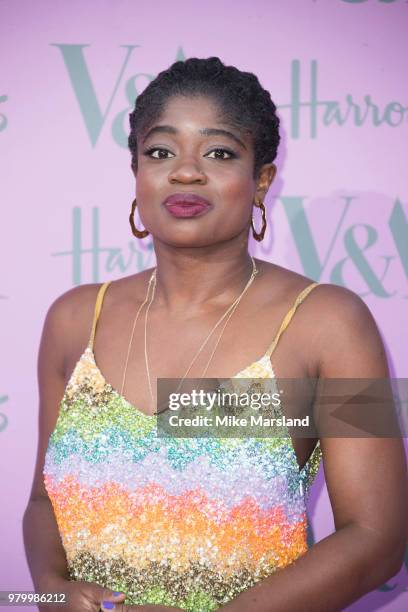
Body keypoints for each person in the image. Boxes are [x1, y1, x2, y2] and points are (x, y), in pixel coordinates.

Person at [23, 57, 407, 612]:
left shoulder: (330, 323)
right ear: (136, 171)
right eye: (160, 152)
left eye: (219, 152)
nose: (185, 172)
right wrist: (55, 591)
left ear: (262, 181)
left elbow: (376, 539)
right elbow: (43, 499)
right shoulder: (74, 318)